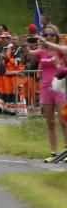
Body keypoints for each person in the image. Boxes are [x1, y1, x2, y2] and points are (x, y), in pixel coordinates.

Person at [29, 25, 67, 161]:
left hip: (59, 88)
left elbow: (64, 53)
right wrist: (24, 45)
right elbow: (31, 55)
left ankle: (66, 150)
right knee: (50, 122)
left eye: (51, 34)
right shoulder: (42, 51)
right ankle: (54, 153)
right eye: (46, 35)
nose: (48, 37)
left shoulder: (61, 50)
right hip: (45, 89)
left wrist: (56, 62)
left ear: (56, 36)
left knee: (64, 120)